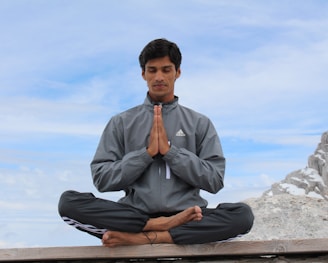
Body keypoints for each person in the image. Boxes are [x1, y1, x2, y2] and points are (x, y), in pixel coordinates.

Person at [58, 38, 254, 247]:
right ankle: (155, 226)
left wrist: (171, 153)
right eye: (152, 70)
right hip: (134, 215)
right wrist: (146, 154)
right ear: (143, 74)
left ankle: (147, 237)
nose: (159, 77)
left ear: (177, 72)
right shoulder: (121, 122)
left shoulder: (199, 123)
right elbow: (102, 179)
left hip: (187, 216)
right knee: (68, 202)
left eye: (166, 70)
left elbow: (214, 180)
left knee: (242, 215)